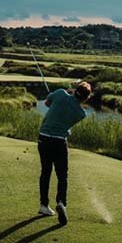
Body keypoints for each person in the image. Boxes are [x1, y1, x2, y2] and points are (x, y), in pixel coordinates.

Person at [37, 81, 92, 226]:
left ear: (74, 90)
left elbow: (47, 103)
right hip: (59, 142)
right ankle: (61, 202)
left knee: (46, 172)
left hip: (43, 138)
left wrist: (55, 100)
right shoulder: (81, 113)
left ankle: (43, 205)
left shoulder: (60, 93)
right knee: (62, 176)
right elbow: (66, 122)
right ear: (86, 98)